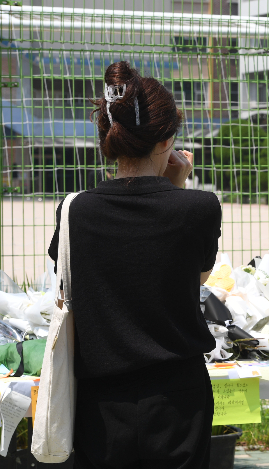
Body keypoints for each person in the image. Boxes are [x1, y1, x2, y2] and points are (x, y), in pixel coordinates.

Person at [48, 61, 221, 469]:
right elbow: (194, 278)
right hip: (179, 400)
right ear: (165, 141)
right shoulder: (198, 208)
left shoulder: (74, 211)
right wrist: (177, 188)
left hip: (99, 403)